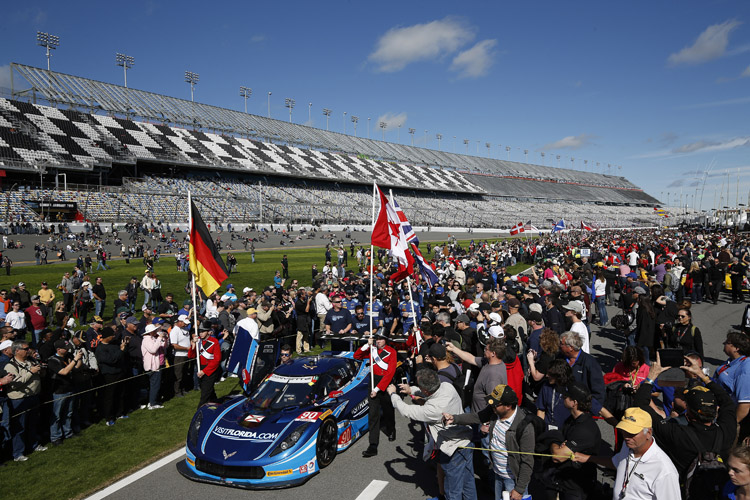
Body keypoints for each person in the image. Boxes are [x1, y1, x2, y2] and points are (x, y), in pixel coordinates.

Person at [388, 369, 476, 500]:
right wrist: (411, 390)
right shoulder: (447, 386)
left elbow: (406, 410)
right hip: (466, 442)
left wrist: (393, 394)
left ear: (426, 390)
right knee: (468, 485)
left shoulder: (433, 409)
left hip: (452, 451)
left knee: (452, 491)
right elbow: (430, 394)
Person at [445, 384, 535, 499]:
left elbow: (527, 462)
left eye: (495, 404)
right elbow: (477, 417)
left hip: (513, 481)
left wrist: (519, 489)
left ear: (508, 406)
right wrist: (455, 419)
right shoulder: (494, 411)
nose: (491, 406)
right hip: (497, 474)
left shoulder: (525, 427)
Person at [572, 407, 681, 499]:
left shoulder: (664, 471)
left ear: (648, 433)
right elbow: (617, 462)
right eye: (624, 431)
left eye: (632, 433)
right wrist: (588, 458)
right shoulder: (628, 445)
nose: (626, 437)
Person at [540, 381, 602, 500]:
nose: (563, 397)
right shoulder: (571, 419)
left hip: (577, 486)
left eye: (566, 396)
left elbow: (558, 456)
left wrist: (554, 441)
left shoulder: (585, 429)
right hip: (564, 480)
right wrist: (559, 444)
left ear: (574, 402)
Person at [354, 330, 397, 457]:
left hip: (385, 383)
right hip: (373, 380)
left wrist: (377, 389)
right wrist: (367, 345)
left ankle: (391, 429)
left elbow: (390, 373)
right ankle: (373, 445)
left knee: (388, 409)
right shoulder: (371, 349)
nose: (378, 341)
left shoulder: (392, 352)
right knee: (373, 413)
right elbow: (357, 356)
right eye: (376, 338)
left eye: (381, 339)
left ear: (386, 340)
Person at [5, 340, 47, 461]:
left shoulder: (31, 361)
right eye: (26, 349)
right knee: (20, 427)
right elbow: (15, 384)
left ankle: (34, 445)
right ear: (17, 351)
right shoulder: (10, 366)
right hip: (19, 399)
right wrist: (30, 372)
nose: (28, 350)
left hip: (34, 396)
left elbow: (39, 376)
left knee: (33, 423)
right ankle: (18, 453)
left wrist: (41, 371)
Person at [559, 330, 606, 414]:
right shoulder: (560, 358)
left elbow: (599, 391)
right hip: (562, 406)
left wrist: (589, 410)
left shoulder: (590, 363)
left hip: (580, 410)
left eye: (562, 344)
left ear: (571, 348)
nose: (559, 345)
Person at [47, 339, 83, 445]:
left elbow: (76, 367)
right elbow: (64, 372)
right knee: (57, 416)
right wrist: (75, 360)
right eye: (65, 348)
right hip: (59, 391)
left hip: (70, 388)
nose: (67, 350)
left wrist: (79, 358)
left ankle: (68, 432)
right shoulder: (53, 360)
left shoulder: (68, 356)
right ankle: (55, 437)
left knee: (68, 413)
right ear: (58, 349)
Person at [95, 327, 127, 426]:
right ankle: (109, 417)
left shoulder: (114, 344)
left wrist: (122, 349)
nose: (114, 336)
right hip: (109, 375)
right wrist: (121, 350)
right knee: (110, 397)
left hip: (119, 372)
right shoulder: (100, 349)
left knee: (120, 394)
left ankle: (120, 413)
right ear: (107, 337)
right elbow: (112, 360)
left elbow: (120, 357)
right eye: (112, 335)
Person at [188, 323, 221, 408]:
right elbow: (191, 356)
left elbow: (217, 360)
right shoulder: (197, 340)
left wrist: (204, 371)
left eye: (203, 331)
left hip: (210, 369)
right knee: (207, 389)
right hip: (200, 367)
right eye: (200, 331)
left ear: (208, 332)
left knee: (205, 394)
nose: (201, 333)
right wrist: (193, 345)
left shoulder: (214, 342)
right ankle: (216, 402)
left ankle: (200, 409)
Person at [142, 323, 167, 409]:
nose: (156, 331)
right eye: (154, 330)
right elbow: (153, 350)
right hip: (152, 366)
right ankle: (152, 403)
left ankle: (152, 401)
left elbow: (163, 346)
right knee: (155, 385)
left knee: (155, 384)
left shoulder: (153, 338)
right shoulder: (146, 340)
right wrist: (159, 338)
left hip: (156, 364)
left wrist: (163, 338)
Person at [170, 314, 193, 397]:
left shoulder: (185, 329)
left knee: (185, 372)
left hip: (187, 354)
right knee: (178, 374)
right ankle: (177, 391)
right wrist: (186, 348)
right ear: (179, 322)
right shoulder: (174, 331)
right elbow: (174, 345)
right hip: (179, 356)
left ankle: (183, 388)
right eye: (184, 323)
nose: (186, 324)